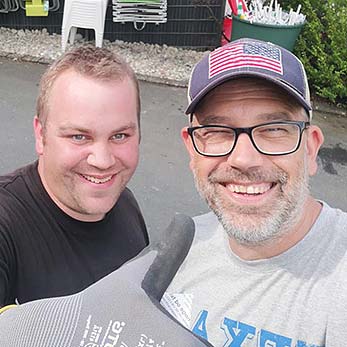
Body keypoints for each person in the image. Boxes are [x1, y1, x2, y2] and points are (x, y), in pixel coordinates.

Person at [162, 38, 347, 347]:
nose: (244, 159)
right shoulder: (176, 252)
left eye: (274, 129)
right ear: (192, 150)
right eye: (218, 131)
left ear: (311, 148)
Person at [0, 45, 148, 308]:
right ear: (40, 135)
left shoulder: (126, 203)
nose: (102, 161)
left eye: (120, 136)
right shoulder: (6, 227)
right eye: (79, 136)